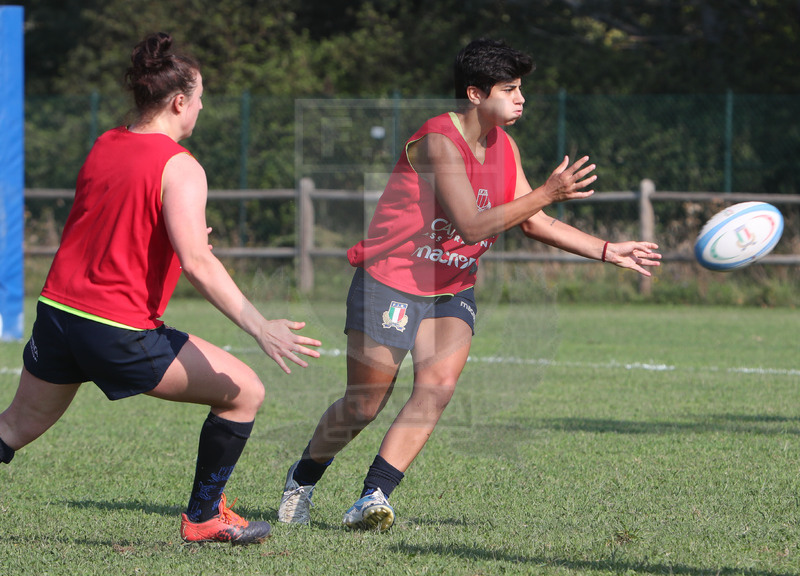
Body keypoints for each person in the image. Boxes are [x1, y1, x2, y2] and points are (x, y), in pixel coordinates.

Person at [277, 38, 661, 531]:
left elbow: (533, 222)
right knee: (363, 404)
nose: (521, 98)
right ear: (476, 94)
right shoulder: (438, 140)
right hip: (392, 280)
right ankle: (302, 479)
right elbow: (473, 224)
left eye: (522, 88)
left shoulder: (506, 145)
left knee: (437, 388)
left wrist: (608, 249)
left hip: (452, 285)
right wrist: (546, 191)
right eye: (510, 88)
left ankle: (372, 495)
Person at [0, 32, 321, 545]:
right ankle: (202, 518)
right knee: (244, 393)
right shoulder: (182, 165)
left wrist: (177, 240)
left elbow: (109, 226)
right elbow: (197, 261)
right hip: (116, 329)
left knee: (12, 428)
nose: (199, 110)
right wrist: (261, 326)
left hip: (59, 314)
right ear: (178, 102)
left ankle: (207, 515)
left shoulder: (106, 143)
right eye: (198, 100)